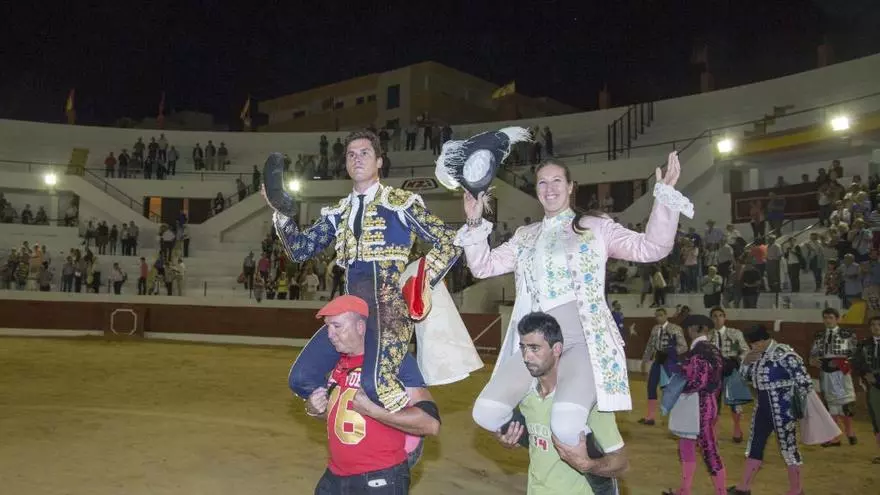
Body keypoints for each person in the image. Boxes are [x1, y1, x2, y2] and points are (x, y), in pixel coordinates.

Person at [458, 152, 692, 489]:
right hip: (537, 347)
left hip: (581, 341)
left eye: (557, 181)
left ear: (571, 187)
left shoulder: (595, 228)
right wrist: (474, 221)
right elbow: (482, 267)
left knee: (567, 425)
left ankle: (600, 479)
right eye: (542, 182)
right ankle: (543, 443)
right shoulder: (525, 235)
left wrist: (665, 198)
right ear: (536, 190)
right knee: (486, 413)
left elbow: (651, 248)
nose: (549, 188)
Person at [268, 130, 463, 413]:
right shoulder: (339, 212)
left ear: (379, 161)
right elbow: (299, 250)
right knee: (301, 378)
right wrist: (282, 212)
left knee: (376, 385)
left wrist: (420, 281)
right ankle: (342, 412)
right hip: (352, 312)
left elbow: (449, 241)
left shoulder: (400, 203)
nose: (356, 159)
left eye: (364, 153)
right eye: (351, 154)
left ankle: (407, 432)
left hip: (390, 308)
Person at [304, 296, 440, 494]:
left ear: (360, 327)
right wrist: (315, 410)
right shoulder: (338, 364)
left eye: (337, 326)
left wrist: (373, 411)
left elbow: (431, 424)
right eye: (328, 327)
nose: (330, 335)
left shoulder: (392, 363)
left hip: (380, 477)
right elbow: (343, 416)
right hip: (335, 475)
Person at [494, 312, 629, 494]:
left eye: (534, 348)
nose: (526, 357)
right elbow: (539, 444)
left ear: (557, 349)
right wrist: (511, 440)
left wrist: (588, 465)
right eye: (523, 348)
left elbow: (621, 462)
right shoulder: (527, 396)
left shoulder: (586, 402)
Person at [729, 325, 814, 495]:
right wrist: (745, 362)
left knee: (788, 448)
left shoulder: (785, 354)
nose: (753, 347)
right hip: (762, 408)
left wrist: (795, 403)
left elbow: (805, 382)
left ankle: (797, 490)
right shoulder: (755, 354)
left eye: (754, 344)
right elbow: (745, 378)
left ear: (762, 340)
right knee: (755, 445)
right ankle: (743, 488)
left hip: (784, 410)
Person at [662, 314, 726, 495]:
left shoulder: (700, 351)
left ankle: (721, 492)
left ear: (693, 329)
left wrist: (677, 382)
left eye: (688, 328)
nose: (687, 332)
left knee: (708, 448)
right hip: (707, 401)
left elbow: (698, 381)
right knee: (687, 443)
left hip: (700, 405)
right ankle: (685, 489)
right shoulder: (711, 349)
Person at [809, 307, 859, 446]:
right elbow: (813, 353)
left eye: (831, 317)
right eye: (825, 317)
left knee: (845, 403)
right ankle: (835, 436)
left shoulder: (847, 334)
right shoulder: (819, 335)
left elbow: (855, 353)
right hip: (826, 372)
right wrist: (813, 360)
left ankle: (850, 431)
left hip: (841, 372)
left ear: (838, 319)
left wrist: (842, 363)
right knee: (831, 403)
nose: (828, 320)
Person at [707, 307, 750, 443]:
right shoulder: (707, 335)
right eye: (715, 316)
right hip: (714, 372)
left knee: (735, 401)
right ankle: (714, 432)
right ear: (711, 319)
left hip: (731, 371)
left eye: (720, 315)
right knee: (713, 401)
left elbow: (745, 350)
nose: (718, 318)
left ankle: (737, 429)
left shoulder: (735, 333)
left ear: (725, 317)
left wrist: (736, 360)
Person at [639, 307, 687, 425]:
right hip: (658, 360)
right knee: (651, 386)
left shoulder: (675, 328)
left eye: (660, 315)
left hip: (670, 362)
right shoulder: (655, 329)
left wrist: (671, 352)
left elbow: (684, 346)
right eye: (656, 315)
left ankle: (674, 418)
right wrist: (644, 361)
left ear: (666, 315)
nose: (658, 317)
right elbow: (650, 346)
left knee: (670, 389)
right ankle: (650, 417)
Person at [853, 316, 880, 464]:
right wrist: (866, 374)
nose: (876, 327)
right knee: (877, 419)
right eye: (873, 325)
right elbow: (856, 362)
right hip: (873, 385)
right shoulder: (863, 344)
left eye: (879, 324)